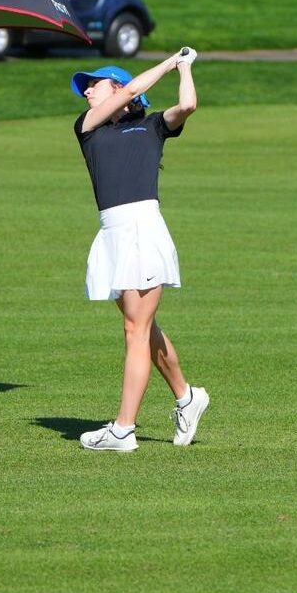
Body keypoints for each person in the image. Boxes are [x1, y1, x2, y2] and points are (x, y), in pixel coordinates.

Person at [73, 49, 209, 452]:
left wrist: (182, 65)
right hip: (113, 233)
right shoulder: (89, 128)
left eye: (92, 85)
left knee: (135, 330)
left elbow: (187, 104)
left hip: (142, 228)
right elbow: (133, 87)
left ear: (115, 89)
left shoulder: (151, 126)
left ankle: (123, 430)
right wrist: (168, 63)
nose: (86, 93)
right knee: (142, 327)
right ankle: (187, 397)